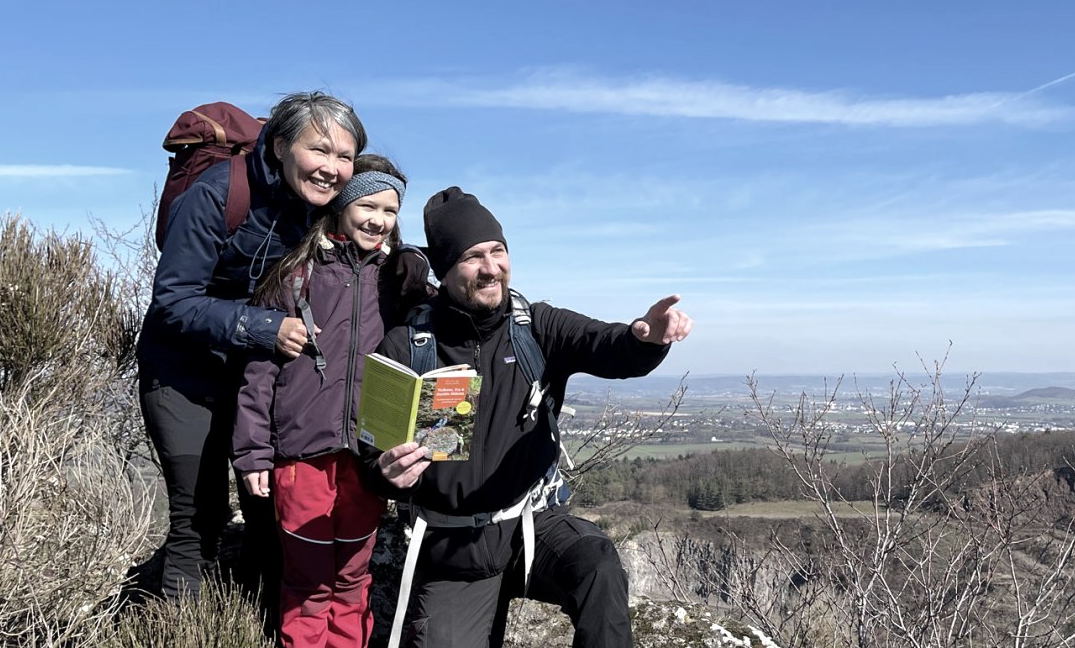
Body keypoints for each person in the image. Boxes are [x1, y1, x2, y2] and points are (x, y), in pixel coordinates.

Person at [366, 187, 693, 648]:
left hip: (531, 526)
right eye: (472, 256)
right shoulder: (406, 347)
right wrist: (386, 474)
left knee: (598, 564)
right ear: (443, 269)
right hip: (453, 547)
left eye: (498, 251)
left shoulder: (535, 327)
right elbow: (372, 453)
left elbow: (608, 347)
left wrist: (647, 340)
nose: (490, 267)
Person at [138, 91, 367, 603]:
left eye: (344, 156)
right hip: (182, 372)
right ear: (282, 146)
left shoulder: (325, 209)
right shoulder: (219, 193)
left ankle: (257, 622)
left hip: (258, 380)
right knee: (198, 515)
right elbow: (174, 300)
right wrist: (262, 326)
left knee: (271, 511)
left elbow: (374, 239)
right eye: (320, 151)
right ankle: (183, 633)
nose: (332, 169)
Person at [234, 158, 423, 647]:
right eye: (368, 204)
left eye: (390, 209)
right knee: (307, 584)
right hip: (301, 456)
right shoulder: (296, 274)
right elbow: (259, 373)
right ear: (341, 204)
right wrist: (253, 452)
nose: (379, 218)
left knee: (352, 580)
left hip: (366, 460)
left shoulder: (396, 279)